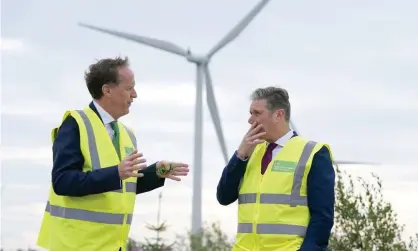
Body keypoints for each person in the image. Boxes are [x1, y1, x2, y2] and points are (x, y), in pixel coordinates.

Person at [36, 56, 190, 251]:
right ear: (107, 90)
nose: (135, 94)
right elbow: (62, 181)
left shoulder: (127, 135)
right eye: (129, 88)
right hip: (76, 245)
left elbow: (123, 185)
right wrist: (115, 172)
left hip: (112, 246)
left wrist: (156, 172)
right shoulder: (76, 123)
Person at [216, 86, 335, 251]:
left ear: (278, 115)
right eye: (250, 113)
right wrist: (240, 155)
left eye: (257, 113)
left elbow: (322, 217)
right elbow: (224, 197)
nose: (250, 120)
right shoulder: (249, 152)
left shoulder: (312, 152)